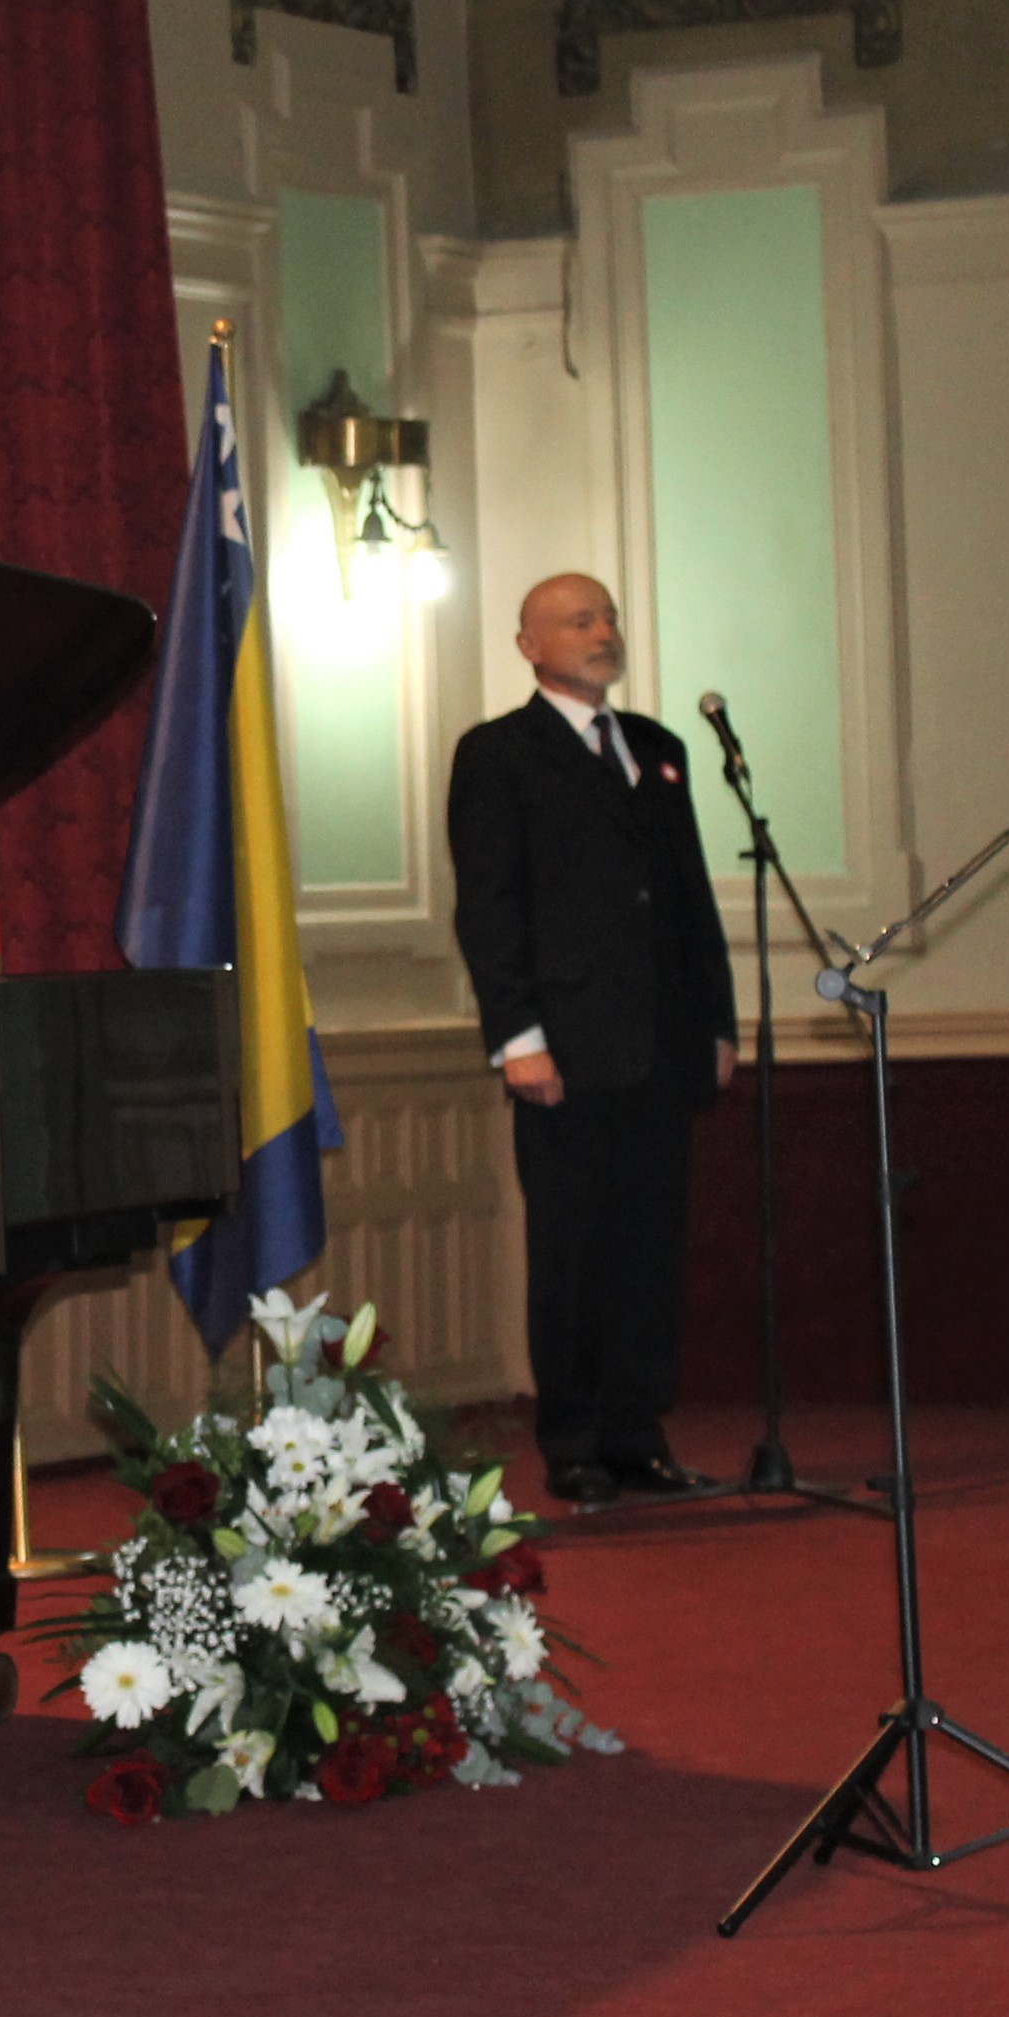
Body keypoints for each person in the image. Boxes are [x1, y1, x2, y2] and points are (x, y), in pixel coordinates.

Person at [443, 572, 737, 1511]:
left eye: (607, 617)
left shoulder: (657, 747)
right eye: (579, 621)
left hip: (662, 1043)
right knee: (573, 1251)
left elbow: (688, 895)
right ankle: (573, 1444)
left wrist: (717, 1020)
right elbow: (490, 909)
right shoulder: (499, 754)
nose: (602, 632)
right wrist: (518, 1037)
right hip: (564, 1048)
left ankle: (638, 1437)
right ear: (529, 646)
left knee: (649, 1250)